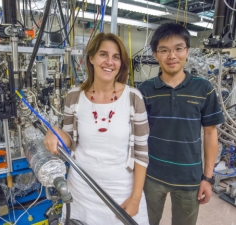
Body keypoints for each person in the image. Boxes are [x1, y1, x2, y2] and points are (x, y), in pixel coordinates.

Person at [44, 33, 150, 225]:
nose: (109, 62)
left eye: (116, 57)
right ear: (91, 58)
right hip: (81, 192)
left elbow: (142, 153)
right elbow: (68, 138)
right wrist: (55, 132)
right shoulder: (74, 96)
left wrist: (136, 198)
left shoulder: (134, 98)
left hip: (122, 193)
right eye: (103, 54)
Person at [138, 23, 225, 225]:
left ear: (187, 51)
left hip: (190, 178)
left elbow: (211, 134)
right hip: (151, 176)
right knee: (144, 222)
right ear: (155, 54)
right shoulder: (145, 90)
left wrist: (208, 178)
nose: (172, 56)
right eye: (164, 50)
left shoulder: (204, 88)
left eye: (178, 48)